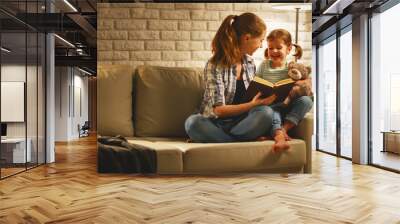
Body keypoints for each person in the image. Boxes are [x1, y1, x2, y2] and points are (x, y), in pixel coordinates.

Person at [184, 12, 276, 143]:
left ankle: (218, 140)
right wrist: (252, 104)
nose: (261, 46)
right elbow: (219, 110)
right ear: (247, 38)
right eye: (261, 40)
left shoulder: (250, 63)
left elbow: (254, 98)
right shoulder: (215, 65)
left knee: (266, 113)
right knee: (193, 123)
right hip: (215, 124)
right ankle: (239, 141)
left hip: (241, 124)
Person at [256, 29, 313, 151]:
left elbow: (306, 85)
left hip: (288, 105)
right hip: (271, 106)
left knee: (307, 101)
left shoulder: (293, 67)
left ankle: (284, 129)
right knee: (272, 112)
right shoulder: (264, 65)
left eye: (278, 48)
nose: (274, 51)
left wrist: (301, 84)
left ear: (288, 49)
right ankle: (279, 136)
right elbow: (257, 83)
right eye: (270, 48)